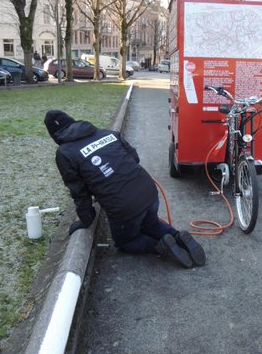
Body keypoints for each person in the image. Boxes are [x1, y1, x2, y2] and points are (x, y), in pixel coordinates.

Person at [44, 110, 206, 269]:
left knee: (125, 242)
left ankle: (160, 246)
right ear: (74, 121)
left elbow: (79, 192)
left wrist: (86, 220)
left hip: (124, 207)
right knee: (151, 224)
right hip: (147, 191)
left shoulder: (65, 153)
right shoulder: (106, 133)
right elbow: (134, 158)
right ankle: (178, 237)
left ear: (54, 135)